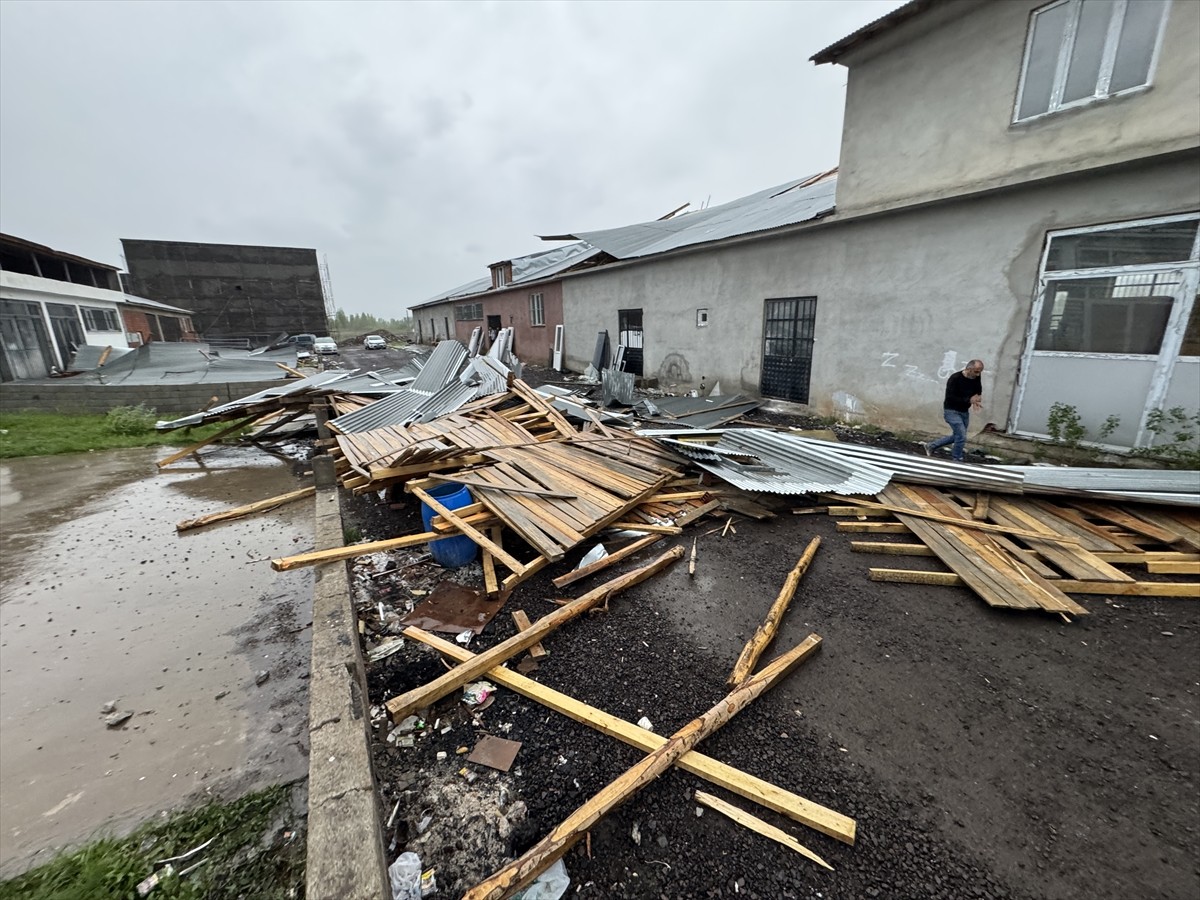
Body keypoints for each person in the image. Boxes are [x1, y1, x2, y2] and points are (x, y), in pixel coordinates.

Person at [925, 359, 984, 461]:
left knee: (958, 436)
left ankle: (931, 445)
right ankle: (957, 459)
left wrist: (977, 399)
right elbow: (951, 397)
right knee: (961, 435)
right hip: (951, 410)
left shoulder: (976, 377)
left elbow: (978, 389)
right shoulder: (955, 378)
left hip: (964, 411)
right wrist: (969, 400)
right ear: (969, 369)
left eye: (980, 372)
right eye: (976, 371)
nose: (978, 375)